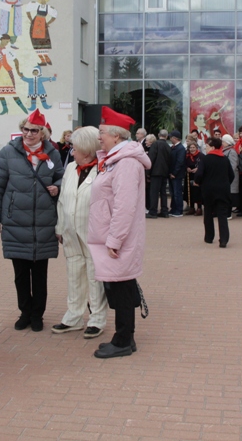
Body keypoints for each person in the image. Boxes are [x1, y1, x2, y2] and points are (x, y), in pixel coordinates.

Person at [0, 109, 64, 332]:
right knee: (20, 273)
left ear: (43, 133)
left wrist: (57, 187)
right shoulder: (7, 153)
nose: (28, 134)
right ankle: (25, 312)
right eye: (25, 129)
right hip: (15, 222)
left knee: (40, 274)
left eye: (34, 130)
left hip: (44, 221)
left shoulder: (53, 154)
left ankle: (38, 314)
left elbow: (61, 177)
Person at [88, 107, 151, 358]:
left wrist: (114, 239)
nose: (99, 137)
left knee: (122, 289)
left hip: (118, 239)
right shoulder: (116, 159)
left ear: (115, 136)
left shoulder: (125, 163)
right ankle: (125, 337)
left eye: (102, 132)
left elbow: (124, 206)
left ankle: (123, 339)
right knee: (119, 286)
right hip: (113, 237)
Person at [52, 126, 108, 337]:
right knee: (74, 274)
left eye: (75, 148)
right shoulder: (70, 168)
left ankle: (97, 318)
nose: (72, 151)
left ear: (86, 149)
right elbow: (62, 200)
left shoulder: (103, 169)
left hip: (93, 232)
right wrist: (59, 227)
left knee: (95, 276)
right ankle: (73, 316)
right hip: (70, 231)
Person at [195, 138, 234, 248]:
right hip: (223, 190)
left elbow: (199, 174)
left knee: (208, 214)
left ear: (212, 147)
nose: (205, 148)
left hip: (208, 190)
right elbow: (231, 175)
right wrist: (225, 184)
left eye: (207, 146)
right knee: (222, 215)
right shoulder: (225, 159)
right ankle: (224, 240)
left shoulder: (205, 159)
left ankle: (209, 237)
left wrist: (198, 182)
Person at [146, 129, 171, 218]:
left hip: (155, 172)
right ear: (167, 136)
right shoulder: (168, 146)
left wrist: (148, 172)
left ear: (158, 135)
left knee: (154, 192)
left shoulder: (155, 144)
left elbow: (151, 159)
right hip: (165, 172)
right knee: (163, 192)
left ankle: (153, 211)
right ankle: (164, 211)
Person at [168, 130, 186, 217]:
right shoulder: (174, 147)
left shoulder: (181, 148)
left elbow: (180, 162)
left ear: (175, 138)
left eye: (171, 137)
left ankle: (179, 210)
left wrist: (174, 173)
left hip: (177, 174)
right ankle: (173, 208)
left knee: (177, 192)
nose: (170, 139)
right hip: (172, 173)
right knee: (173, 193)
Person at [221, 134, 239, 219]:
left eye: (223, 141)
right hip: (226, 177)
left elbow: (233, 165)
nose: (222, 143)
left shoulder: (231, 151)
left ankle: (228, 213)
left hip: (230, 177)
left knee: (229, 195)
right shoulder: (226, 150)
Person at [184, 142, 203, 216]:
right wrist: (187, 168)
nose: (192, 149)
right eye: (190, 148)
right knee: (190, 192)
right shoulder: (187, 156)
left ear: (196, 148)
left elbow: (203, 165)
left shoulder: (201, 155)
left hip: (197, 175)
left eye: (193, 147)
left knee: (197, 191)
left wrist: (198, 169)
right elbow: (184, 164)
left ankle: (199, 208)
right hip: (189, 175)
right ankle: (191, 207)